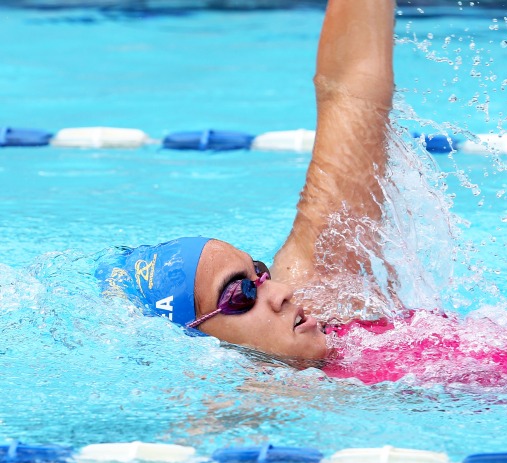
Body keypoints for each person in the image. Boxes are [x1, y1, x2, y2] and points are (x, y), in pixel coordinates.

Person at [99, 0, 397, 369]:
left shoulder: (323, 297)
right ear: (192, 341)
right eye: (240, 294)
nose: (283, 292)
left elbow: (351, 92)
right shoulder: (250, 404)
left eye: (259, 273)